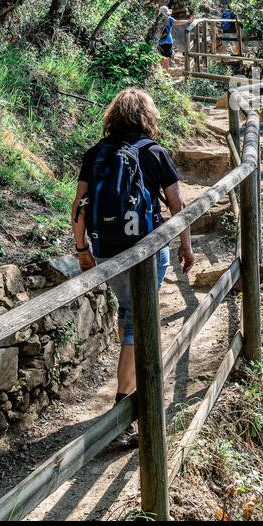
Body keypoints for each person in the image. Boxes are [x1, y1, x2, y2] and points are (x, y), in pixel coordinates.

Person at [71, 87, 195, 445]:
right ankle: (124, 416)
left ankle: (129, 404)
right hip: (146, 250)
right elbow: (178, 204)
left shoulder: (95, 154)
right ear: (147, 116)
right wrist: (185, 245)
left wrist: (83, 251)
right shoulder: (154, 152)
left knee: (131, 317)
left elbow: (78, 207)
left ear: (113, 116)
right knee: (135, 325)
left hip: (108, 250)